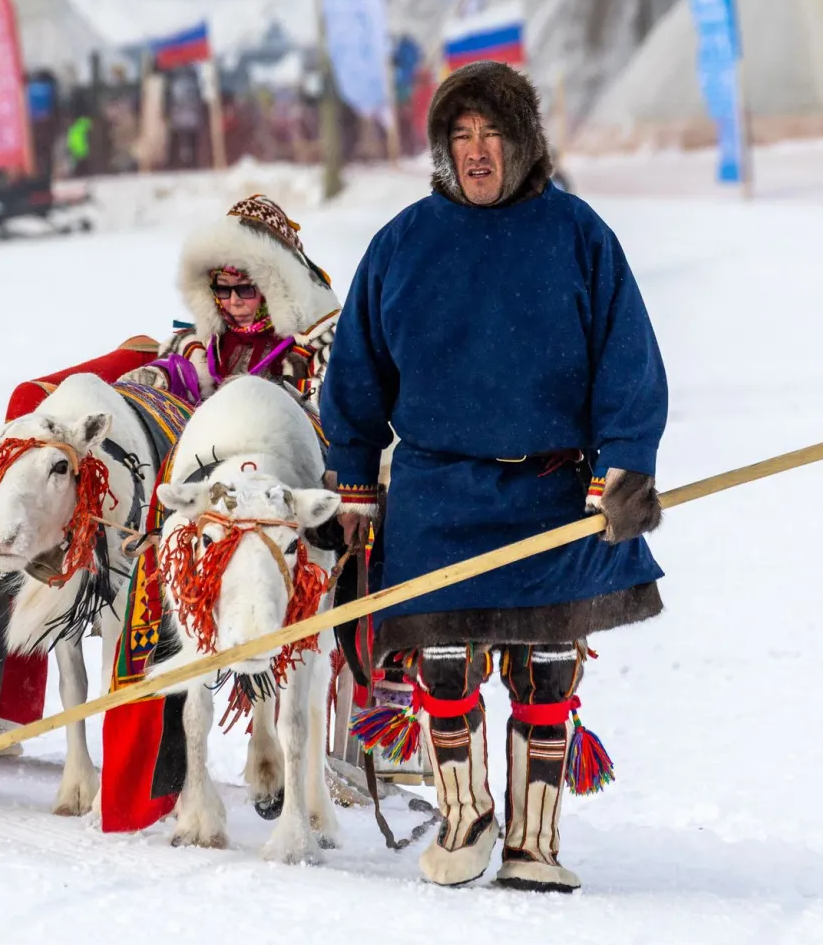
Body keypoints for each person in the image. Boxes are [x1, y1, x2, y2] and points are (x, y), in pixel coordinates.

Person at [322, 61, 668, 894]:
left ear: (524, 143)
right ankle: (466, 816)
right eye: (461, 136)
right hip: (439, 497)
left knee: (549, 670)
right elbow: (358, 377)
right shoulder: (403, 243)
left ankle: (535, 845)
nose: (477, 153)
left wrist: (623, 467)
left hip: (553, 496)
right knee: (442, 666)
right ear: (444, 149)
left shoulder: (579, 235)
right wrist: (355, 484)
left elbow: (630, 364)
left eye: (493, 134)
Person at [123, 193, 339, 407]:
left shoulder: (316, 343)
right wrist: (161, 377)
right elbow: (183, 373)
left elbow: (332, 401)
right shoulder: (207, 343)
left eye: (245, 289)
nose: (233, 301)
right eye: (222, 289)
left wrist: (270, 397)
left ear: (274, 290)